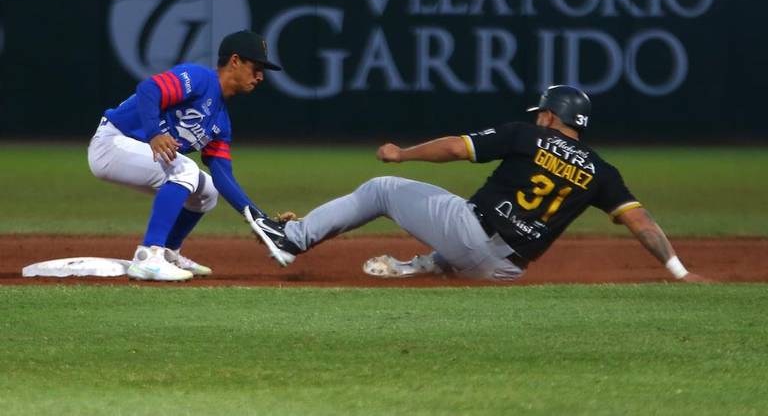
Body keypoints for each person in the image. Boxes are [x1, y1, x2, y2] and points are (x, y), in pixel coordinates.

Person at [257, 85, 706, 282]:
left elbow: (456, 148)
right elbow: (641, 221)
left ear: (551, 116)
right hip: (503, 273)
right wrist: (678, 271)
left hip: (471, 234)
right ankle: (426, 265)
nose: (539, 117)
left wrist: (403, 153)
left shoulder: (528, 134)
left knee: (380, 187)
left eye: (542, 112)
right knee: (465, 231)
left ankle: (292, 238)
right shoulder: (599, 171)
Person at [88, 30, 284, 281]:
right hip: (112, 142)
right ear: (235, 60)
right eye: (256, 67)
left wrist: (258, 218)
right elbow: (149, 89)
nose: (260, 76)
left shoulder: (221, 123)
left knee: (208, 191)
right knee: (186, 170)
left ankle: (168, 252)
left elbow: (225, 177)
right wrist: (155, 132)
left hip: (141, 153)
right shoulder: (200, 78)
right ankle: (148, 256)